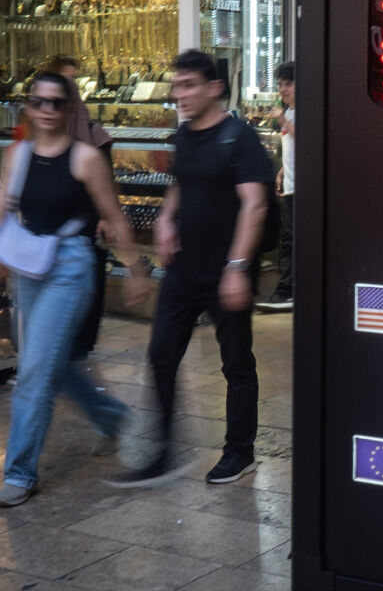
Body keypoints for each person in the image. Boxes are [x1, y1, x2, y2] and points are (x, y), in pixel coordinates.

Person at [0, 71, 150, 508]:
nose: (46, 110)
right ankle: (112, 417)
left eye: (56, 103)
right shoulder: (17, 155)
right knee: (50, 364)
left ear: (69, 110)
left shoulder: (85, 159)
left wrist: (137, 269)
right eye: (38, 101)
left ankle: (20, 472)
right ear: (29, 106)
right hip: (31, 265)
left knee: (34, 372)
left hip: (71, 266)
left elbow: (115, 217)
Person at [109, 50, 270, 486]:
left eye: (189, 86)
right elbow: (183, 183)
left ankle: (241, 452)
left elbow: (255, 204)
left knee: (236, 363)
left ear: (214, 87)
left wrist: (238, 267)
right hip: (183, 270)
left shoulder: (240, 138)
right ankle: (160, 452)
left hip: (226, 270)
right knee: (161, 354)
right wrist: (164, 218)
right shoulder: (184, 137)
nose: (179, 94)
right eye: (176, 86)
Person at [43, 54, 116, 361]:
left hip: (90, 223)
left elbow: (107, 184)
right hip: (57, 225)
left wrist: (105, 218)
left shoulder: (96, 139)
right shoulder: (46, 142)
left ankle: (82, 341)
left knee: (89, 283)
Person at [257, 61, 295, 312]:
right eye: (280, 84)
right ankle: (287, 290)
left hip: (302, 190)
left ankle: (287, 292)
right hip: (291, 186)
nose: (283, 89)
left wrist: (282, 119)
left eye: (288, 84)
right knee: (288, 239)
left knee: (290, 240)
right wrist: (282, 171)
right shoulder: (290, 111)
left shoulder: (298, 112)